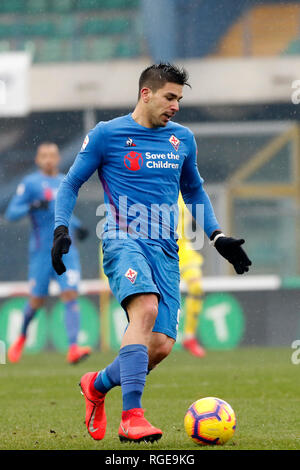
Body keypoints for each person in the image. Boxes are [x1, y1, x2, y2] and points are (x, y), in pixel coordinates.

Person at [51, 63, 251, 443]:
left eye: (179, 99)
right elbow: (70, 184)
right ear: (146, 93)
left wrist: (217, 236)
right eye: (170, 97)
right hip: (122, 238)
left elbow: (193, 190)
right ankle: (133, 417)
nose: (176, 106)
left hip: (165, 249)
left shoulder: (183, 139)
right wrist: (61, 228)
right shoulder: (107, 135)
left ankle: (97, 384)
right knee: (144, 309)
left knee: (158, 346)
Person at [5, 142, 90, 365]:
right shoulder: (31, 183)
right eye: (44, 155)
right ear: (37, 160)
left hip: (65, 250)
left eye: (53, 155)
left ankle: (73, 348)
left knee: (70, 293)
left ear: (58, 158)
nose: (49, 159)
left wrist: (78, 225)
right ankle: (22, 336)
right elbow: (12, 213)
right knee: (36, 301)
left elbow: (62, 212)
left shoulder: (66, 180)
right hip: (42, 253)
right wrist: (32, 205)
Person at [177, 193, 206, 358]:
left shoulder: (184, 191)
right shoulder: (159, 185)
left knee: (196, 287)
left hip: (185, 250)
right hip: (163, 249)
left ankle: (189, 337)